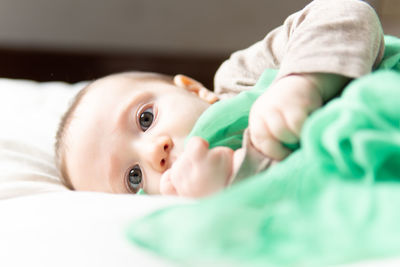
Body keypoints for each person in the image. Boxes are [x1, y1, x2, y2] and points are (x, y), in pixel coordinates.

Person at [55, 0, 384, 197]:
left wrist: (300, 82)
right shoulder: (202, 202)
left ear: (192, 88)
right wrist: (227, 185)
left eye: (145, 119)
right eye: (134, 177)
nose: (155, 151)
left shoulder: (241, 79)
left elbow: (345, 12)